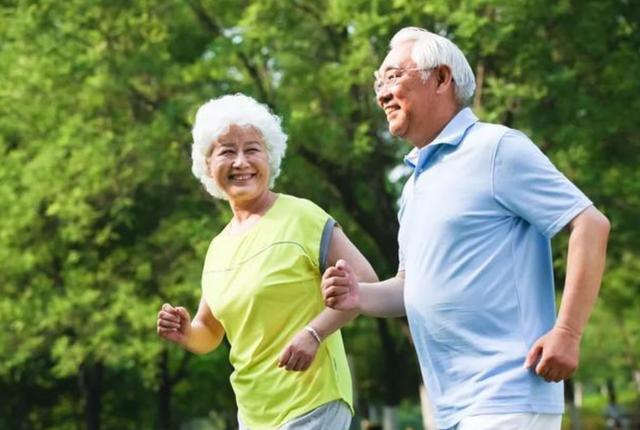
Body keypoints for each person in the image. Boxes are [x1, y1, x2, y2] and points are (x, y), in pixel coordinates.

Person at [322, 27, 610, 430]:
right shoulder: (413, 184)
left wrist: (567, 332)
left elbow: (591, 224)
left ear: (441, 79)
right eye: (378, 82)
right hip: (450, 406)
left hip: (509, 394)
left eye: (393, 77)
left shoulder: (496, 148)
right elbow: (410, 287)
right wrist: (359, 296)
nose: (381, 93)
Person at [157, 94, 377, 430]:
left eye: (252, 149)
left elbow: (367, 284)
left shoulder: (302, 216)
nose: (241, 162)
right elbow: (210, 333)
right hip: (254, 414)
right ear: (207, 165)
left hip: (313, 401)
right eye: (227, 151)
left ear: (269, 158)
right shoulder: (218, 248)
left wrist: (314, 334)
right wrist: (186, 332)